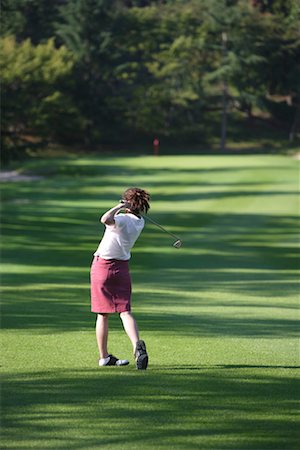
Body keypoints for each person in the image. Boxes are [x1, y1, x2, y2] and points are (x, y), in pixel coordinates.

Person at [90, 187, 150, 370]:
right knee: (125, 311)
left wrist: (118, 206)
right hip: (122, 268)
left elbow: (105, 219)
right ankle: (136, 347)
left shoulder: (122, 219)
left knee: (103, 314)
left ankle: (104, 357)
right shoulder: (140, 222)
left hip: (103, 267)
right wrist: (127, 207)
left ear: (128, 203)